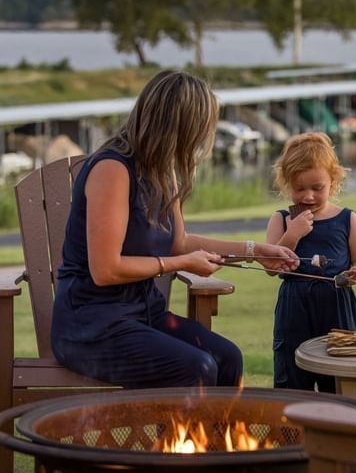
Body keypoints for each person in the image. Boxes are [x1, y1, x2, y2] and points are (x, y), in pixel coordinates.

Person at [51, 69, 299, 389]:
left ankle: (213, 441)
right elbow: (106, 270)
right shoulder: (112, 169)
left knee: (228, 358)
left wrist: (255, 251)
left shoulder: (161, 171)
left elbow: (179, 243)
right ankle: (177, 441)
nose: (198, 141)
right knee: (197, 368)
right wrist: (180, 265)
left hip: (143, 316)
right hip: (92, 326)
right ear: (177, 126)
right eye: (197, 130)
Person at [266, 132, 356, 392]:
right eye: (299, 188)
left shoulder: (347, 219)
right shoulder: (281, 219)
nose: (308, 197)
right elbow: (270, 266)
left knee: (337, 374)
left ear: (333, 181)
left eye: (317, 188)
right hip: (294, 306)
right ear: (286, 184)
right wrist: (293, 234)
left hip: (336, 303)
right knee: (291, 372)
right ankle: (291, 431)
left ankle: (338, 427)